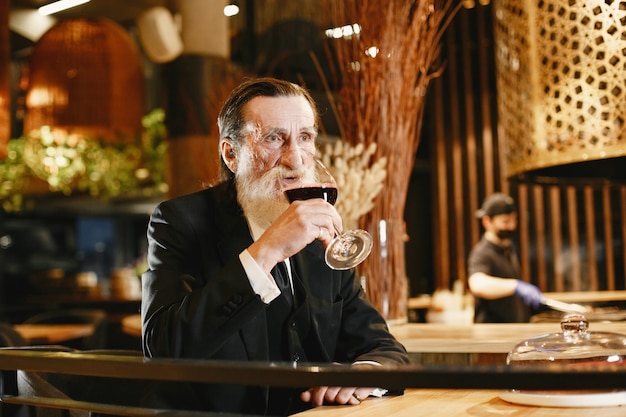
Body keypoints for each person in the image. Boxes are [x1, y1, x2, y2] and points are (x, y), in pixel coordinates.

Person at [140, 77, 410, 415]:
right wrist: (267, 251)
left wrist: (364, 375)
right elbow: (162, 349)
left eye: (305, 138)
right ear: (231, 154)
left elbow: (384, 349)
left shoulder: (320, 233)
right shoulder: (180, 221)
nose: (295, 159)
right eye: (273, 138)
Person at [467, 193, 544, 323]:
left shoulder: (509, 249)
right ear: (487, 222)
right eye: (505, 221)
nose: (512, 226)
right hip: (491, 333)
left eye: (514, 220)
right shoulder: (482, 252)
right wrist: (515, 286)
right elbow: (478, 285)